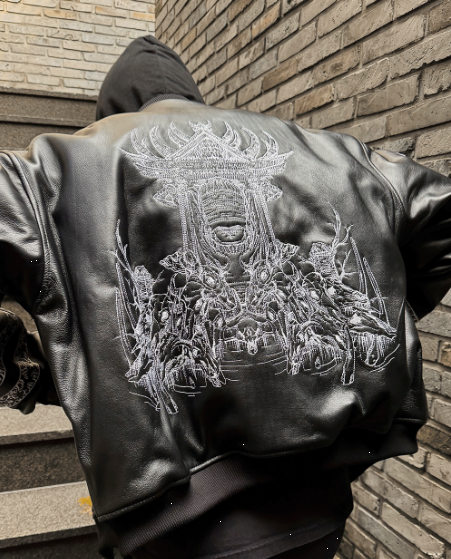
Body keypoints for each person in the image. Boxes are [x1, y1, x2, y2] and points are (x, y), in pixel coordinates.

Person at [1, 35, 450, 559]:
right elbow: (439, 210)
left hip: (178, 521)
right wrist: (397, 312)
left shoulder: (56, 171)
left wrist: (33, 372)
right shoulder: (336, 154)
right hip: (323, 501)